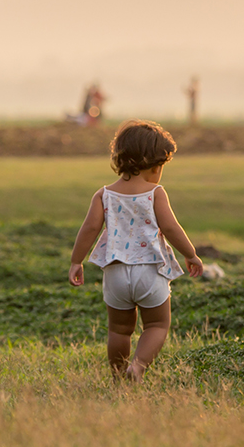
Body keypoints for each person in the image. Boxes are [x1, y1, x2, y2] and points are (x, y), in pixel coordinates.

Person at [68, 119, 204, 382]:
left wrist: (77, 261)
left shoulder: (104, 194)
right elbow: (172, 228)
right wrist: (191, 254)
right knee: (157, 325)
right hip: (150, 272)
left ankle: (119, 378)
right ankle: (139, 366)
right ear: (154, 164)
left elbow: (89, 229)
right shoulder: (156, 193)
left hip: (116, 273)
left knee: (119, 331)